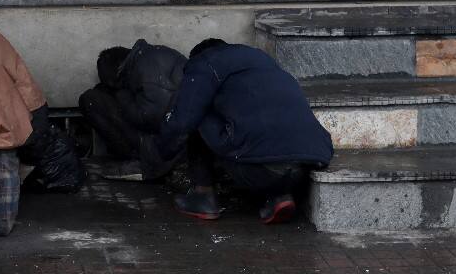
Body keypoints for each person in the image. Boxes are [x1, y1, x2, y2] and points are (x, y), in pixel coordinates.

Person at [159, 38, 332, 224]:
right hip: (305, 166)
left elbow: (182, 121)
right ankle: (279, 196)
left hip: (262, 169)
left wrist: (158, 154)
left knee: (196, 111)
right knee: (267, 142)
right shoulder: (262, 62)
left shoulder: (205, 63)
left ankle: (203, 195)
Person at [78, 40, 185, 178]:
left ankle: (140, 160)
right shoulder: (150, 56)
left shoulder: (145, 69)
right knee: (99, 93)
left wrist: (121, 93)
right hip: (179, 140)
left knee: (90, 100)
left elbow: (151, 117)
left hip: (167, 147)